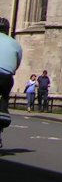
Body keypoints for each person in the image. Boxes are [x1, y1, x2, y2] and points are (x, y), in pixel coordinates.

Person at [0, 17, 23, 147]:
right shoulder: (15, 43)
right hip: (6, 76)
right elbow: (18, 61)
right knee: (4, 96)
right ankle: (3, 111)